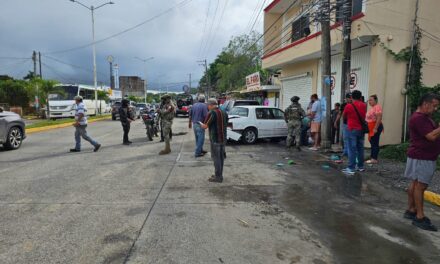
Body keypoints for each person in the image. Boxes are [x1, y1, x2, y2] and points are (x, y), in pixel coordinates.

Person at [404, 93, 440, 232]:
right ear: (426, 104)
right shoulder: (419, 119)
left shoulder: (423, 117)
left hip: (420, 155)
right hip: (422, 157)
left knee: (415, 183)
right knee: (420, 186)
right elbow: (431, 136)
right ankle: (420, 216)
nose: (435, 109)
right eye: (434, 106)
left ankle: (411, 209)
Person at [201, 98, 228, 183]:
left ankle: (218, 177)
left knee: (216, 158)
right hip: (223, 138)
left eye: (208, 105)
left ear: (211, 105)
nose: (207, 107)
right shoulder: (224, 112)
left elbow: (205, 126)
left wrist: (200, 124)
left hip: (215, 139)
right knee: (221, 158)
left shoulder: (212, 112)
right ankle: (219, 175)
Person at [342, 90, 367, 175]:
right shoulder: (364, 105)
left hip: (351, 129)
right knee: (360, 148)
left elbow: (344, 116)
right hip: (361, 130)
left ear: (352, 97)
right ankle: (360, 167)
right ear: (360, 97)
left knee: (352, 149)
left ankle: (351, 167)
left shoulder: (349, 106)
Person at [366, 95, 384, 164]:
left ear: (375, 100)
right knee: (372, 142)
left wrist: (375, 128)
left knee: (374, 142)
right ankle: (372, 156)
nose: (369, 101)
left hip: (375, 126)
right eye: (369, 100)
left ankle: (374, 158)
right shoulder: (373, 108)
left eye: (371, 100)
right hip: (371, 126)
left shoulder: (377, 107)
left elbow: (379, 118)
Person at [335, 93, 353, 157]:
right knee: (345, 138)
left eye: (351, 97)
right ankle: (345, 152)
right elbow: (340, 114)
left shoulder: (354, 104)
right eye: (349, 97)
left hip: (353, 124)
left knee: (351, 139)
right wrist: (336, 121)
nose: (350, 99)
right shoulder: (344, 105)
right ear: (346, 98)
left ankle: (350, 153)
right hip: (346, 124)